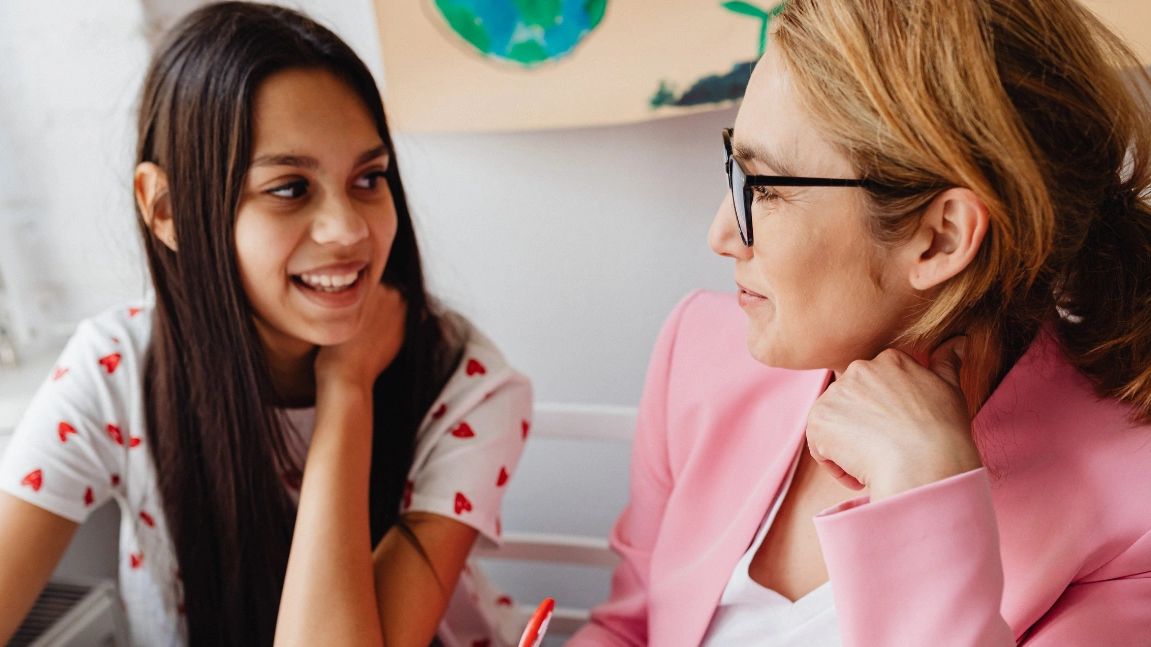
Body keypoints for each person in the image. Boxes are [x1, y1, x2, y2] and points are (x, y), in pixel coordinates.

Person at [569, 0, 1151, 644]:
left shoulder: (1134, 518)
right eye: (736, 169)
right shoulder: (701, 352)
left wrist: (927, 487)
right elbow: (630, 629)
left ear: (940, 237)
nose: (721, 234)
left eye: (765, 187)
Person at [0, 3, 531, 646]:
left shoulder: (467, 386)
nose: (349, 230)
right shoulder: (115, 372)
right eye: (289, 188)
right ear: (166, 210)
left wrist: (347, 391)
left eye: (368, 178)